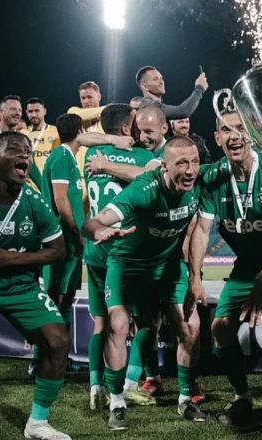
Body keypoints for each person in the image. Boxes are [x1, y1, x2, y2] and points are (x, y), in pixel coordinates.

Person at [82, 136, 205, 430]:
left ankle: (186, 398)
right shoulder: (143, 191)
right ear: (164, 166)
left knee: (190, 326)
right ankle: (117, 402)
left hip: (168, 266)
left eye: (195, 162)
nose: (190, 170)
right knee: (118, 325)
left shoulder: (201, 183)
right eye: (181, 163)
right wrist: (99, 230)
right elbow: (93, 222)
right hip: (128, 265)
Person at [188, 110, 262, 426]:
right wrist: (195, 277)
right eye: (225, 130)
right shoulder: (213, 178)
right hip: (247, 265)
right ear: (217, 139)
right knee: (220, 327)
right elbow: (202, 230)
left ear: (253, 134)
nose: (234, 136)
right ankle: (242, 397)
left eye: (240, 128)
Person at [0, 132, 69, 439]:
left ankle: (37, 423)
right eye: (16, 151)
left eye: (28, 152)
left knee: (57, 341)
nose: (25, 157)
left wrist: (9, 260)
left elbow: (58, 250)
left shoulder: (34, 200)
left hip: (22, 286)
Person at [82, 103, 157, 410]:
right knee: (147, 322)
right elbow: (152, 176)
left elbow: (81, 138)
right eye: (136, 125)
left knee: (101, 324)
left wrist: (106, 156)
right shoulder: (142, 156)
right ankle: (128, 384)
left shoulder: (91, 156)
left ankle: (95, 385)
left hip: (94, 250)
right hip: (125, 252)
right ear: (127, 128)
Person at [39, 114, 85, 339]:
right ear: (81, 132)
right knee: (54, 297)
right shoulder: (61, 156)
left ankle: (61, 355)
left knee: (66, 297)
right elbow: (61, 199)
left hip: (72, 243)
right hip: (62, 240)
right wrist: (76, 232)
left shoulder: (67, 157)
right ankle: (43, 356)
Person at [136, 66, 209, 120]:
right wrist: (199, 89)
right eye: (155, 79)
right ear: (145, 86)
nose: (161, 82)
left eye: (162, 79)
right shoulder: (148, 106)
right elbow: (183, 111)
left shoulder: (156, 105)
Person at [21, 98, 61, 173]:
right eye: (30, 111)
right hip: (30, 181)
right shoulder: (23, 134)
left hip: (49, 179)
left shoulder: (56, 131)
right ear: (26, 113)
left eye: (37, 111)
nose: (33, 114)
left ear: (44, 111)